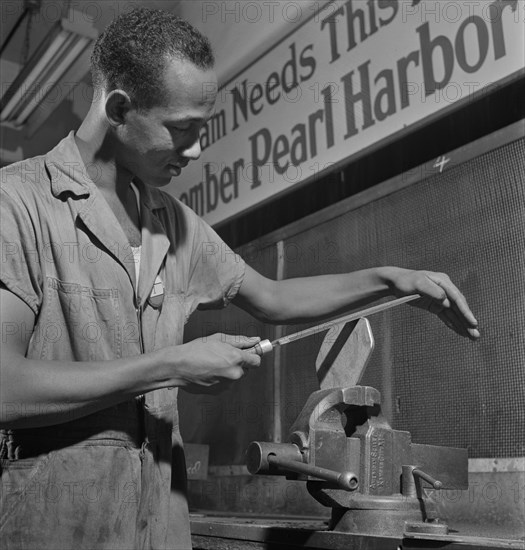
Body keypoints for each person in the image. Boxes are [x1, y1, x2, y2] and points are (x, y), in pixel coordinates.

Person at [0, 8, 479, 550]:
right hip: (52, 526)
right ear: (117, 108)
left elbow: (271, 297)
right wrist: (172, 366)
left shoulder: (171, 221)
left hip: (159, 524)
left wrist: (393, 280)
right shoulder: (18, 204)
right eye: (183, 129)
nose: (197, 150)